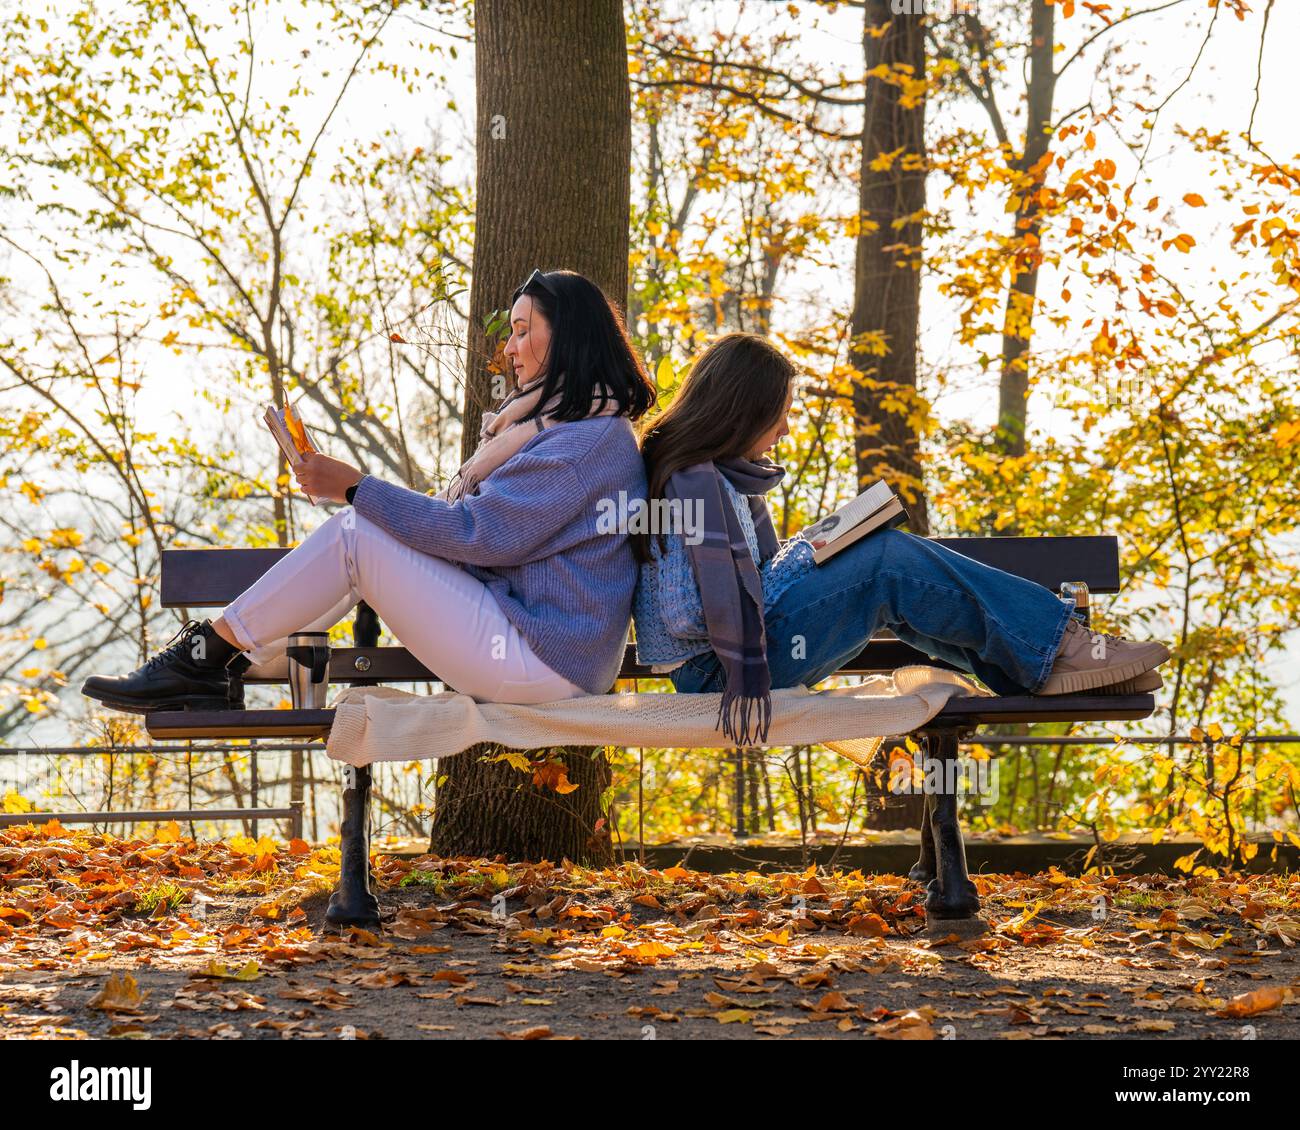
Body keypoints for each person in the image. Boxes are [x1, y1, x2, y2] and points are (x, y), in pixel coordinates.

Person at [82, 269, 656, 713]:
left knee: (356, 537)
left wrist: (355, 487)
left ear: (570, 337)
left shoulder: (585, 442)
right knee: (360, 537)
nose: (508, 347)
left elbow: (477, 534)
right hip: (536, 646)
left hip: (544, 659)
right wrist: (359, 494)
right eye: (511, 331)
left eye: (524, 330)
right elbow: (476, 531)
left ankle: (204, 657)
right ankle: (215, 662)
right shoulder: (564, 426)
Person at [631, 332, 1170, 745]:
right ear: (740, 411)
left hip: (736, 662)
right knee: (887, 561)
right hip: (718, 675)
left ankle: (1041, 665)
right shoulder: (691, 484)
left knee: (893, 582)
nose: (787, 430)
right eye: (782, 415)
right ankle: (1059, 647)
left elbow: (742, 586)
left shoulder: (717, 478)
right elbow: (687, 615)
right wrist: (797, 568)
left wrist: (801, 558)